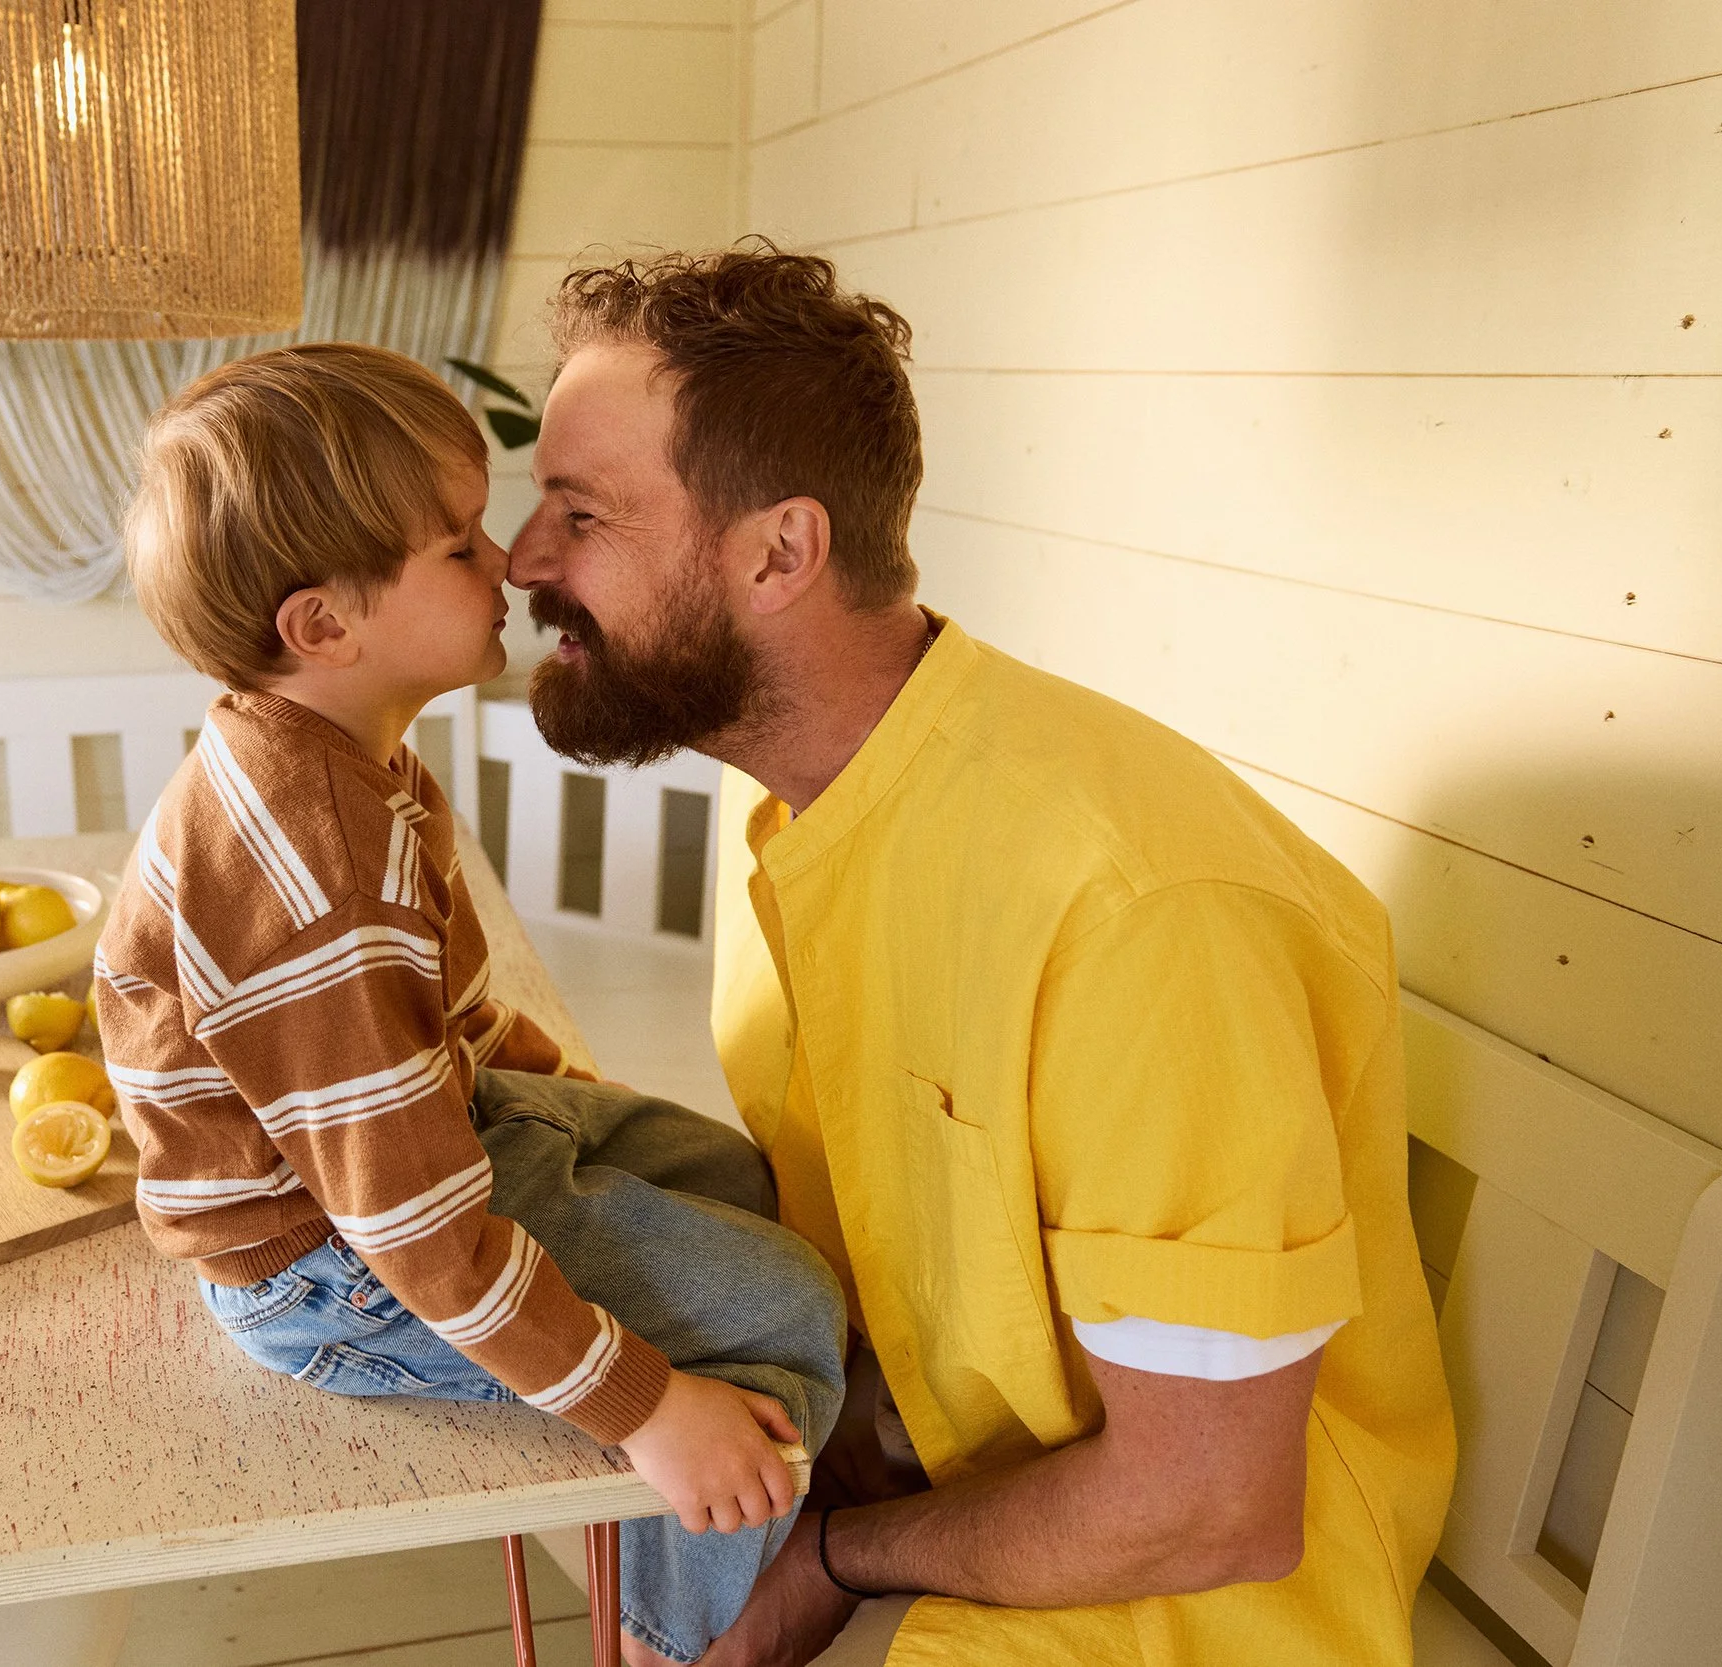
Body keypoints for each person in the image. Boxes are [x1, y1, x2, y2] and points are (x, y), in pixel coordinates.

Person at [503, 245, 1455, 1666]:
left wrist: (831, 1553)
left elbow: (1213, 1508)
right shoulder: (790, 803)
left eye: (578, 514)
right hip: (950, 1488)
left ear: (780, 551)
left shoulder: (1134, 911)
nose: (524, 560)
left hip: (1190, 1609)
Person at [94, 341, 847, 1666]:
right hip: (329, 1265)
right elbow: (413, 1231)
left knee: (739, 1174)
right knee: (779, 1302)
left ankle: (768, 1471)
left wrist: (563, 1099)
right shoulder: (304, 874)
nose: (506, 558)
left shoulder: (350, 757)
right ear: (323, 625)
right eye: (454, 546)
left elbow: (423, 1015)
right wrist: (646, 1402)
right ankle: (690, 1629)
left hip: (413, 1147)